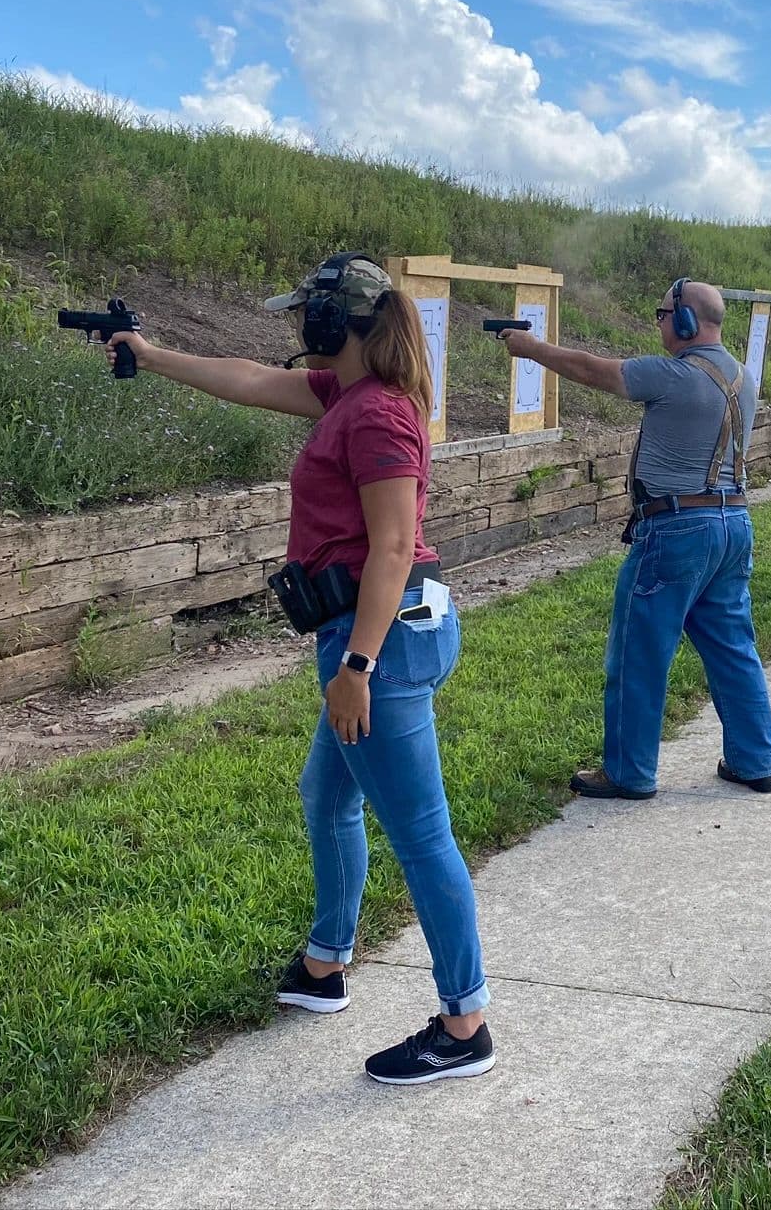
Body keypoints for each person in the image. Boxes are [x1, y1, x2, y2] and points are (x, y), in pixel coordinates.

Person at [109, 253, 494, 1086]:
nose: (294, 332)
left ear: (336, 323)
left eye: (305, 318)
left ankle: (465, 1023)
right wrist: (150, 350)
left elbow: (393, 546)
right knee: (327, 797)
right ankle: (325, 966)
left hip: (378, 641)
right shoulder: (344, 398)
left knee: (423, 835)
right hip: (371, 633)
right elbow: (245, 378)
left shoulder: (379, 416)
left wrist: (356, 663)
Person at [497, 279, 771, 800]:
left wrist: (529, 348)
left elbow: (589, 368)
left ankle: (629, 772)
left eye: (662, 313)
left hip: (675, 529)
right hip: (732, 523)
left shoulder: (672, 373)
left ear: (687, 321)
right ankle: (756, 759)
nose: (659, 323)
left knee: (639, 652)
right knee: (733, 648)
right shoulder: (744, 377)